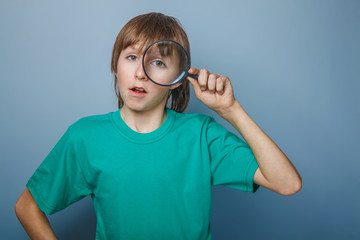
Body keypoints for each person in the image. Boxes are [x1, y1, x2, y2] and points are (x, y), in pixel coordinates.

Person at [15, 12, 302, 240]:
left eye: (158, 63)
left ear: (177, 78)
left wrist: (232, 110)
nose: (140, 72)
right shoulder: (86, 137)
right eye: (131, 57)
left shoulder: (201, 135)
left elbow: (287, 183)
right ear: (115, 65)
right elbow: (27, 206)